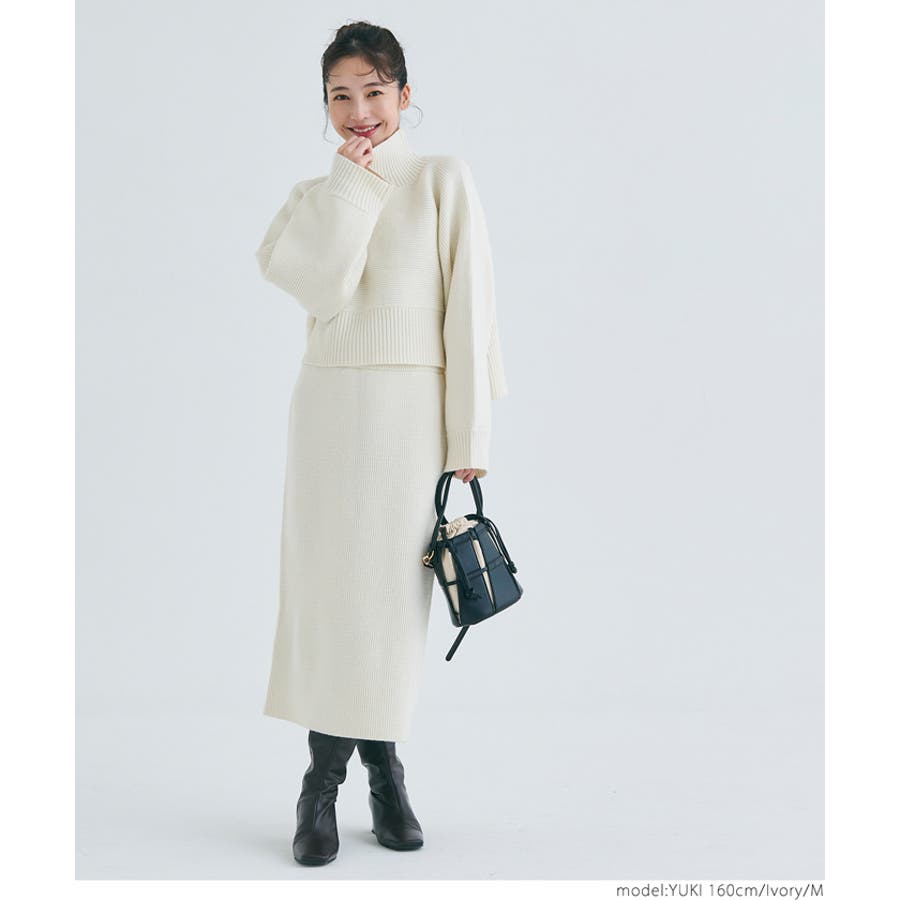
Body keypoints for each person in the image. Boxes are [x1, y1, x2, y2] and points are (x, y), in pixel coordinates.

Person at [255, 20, 509, 866]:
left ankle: (373, 774)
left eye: (373, 91)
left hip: (409, 418)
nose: (358, 110)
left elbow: (471, 308)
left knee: (389, 611)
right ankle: (333, 784)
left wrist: (468, 430)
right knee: (333, 604)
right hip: (328, 413)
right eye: (340, 95)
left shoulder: (442, 178)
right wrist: (350, 186)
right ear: (324, 104)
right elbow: (322, 290)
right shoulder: (315, 194)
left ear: (404, 93)